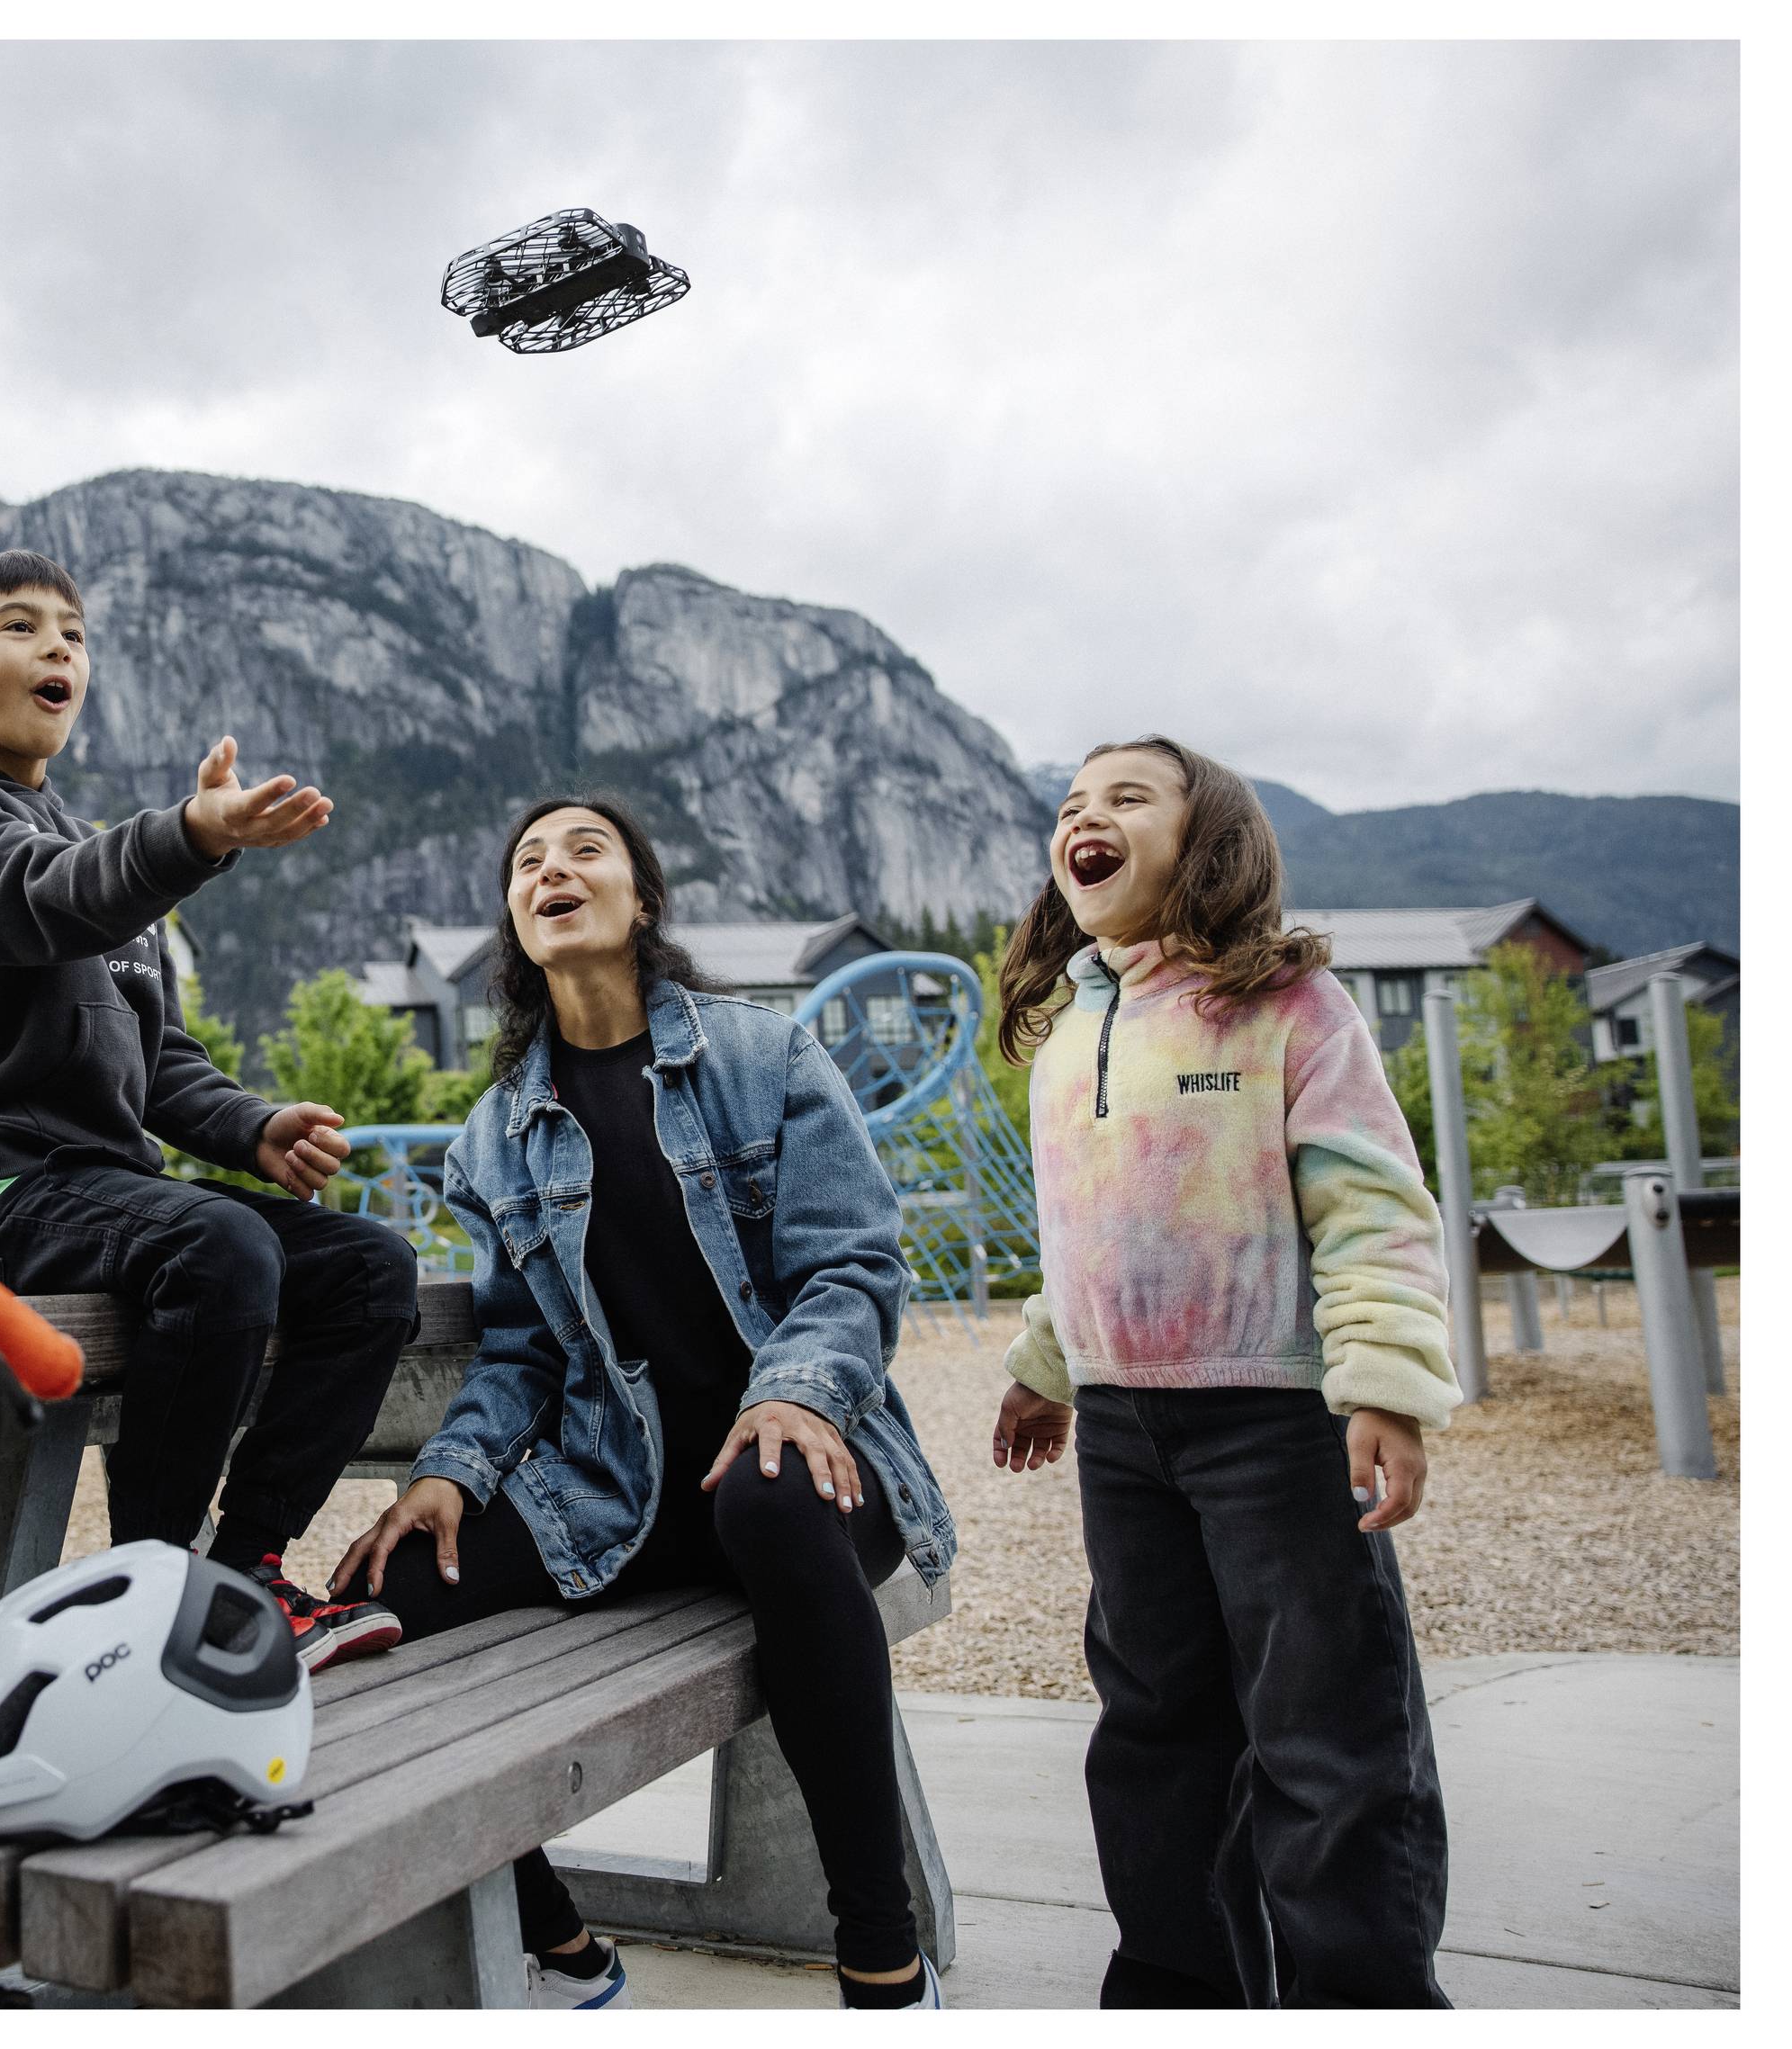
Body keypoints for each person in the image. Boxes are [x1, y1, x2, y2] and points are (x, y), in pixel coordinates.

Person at [334, 795, 956, 2011]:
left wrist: (793, 1395)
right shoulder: (498, 1132)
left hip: (817, 1478)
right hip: (629, 1498)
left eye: (584, 850)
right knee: (375, 1603)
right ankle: (560, 1945)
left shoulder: (763, 1056)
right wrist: (449, 1473)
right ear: (516, 921)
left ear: (642, 899)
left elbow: (855, 1267)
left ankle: (882, 1957)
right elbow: (517, 1352)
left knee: (771, 1493)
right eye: (526, 861)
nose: (551, 869)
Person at [0, 551, 416, 1673]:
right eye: (22, 627)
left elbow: (155, 1054)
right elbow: (49, 901)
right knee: (221, 1243)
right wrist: (193, 836)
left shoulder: (97, 858)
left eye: (75, 633)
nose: (60, 648)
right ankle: (153, 1597)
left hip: (103, 1197)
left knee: (368, 1269)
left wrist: (250, 1125)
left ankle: (243, 1570)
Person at [988, 737, 1457, 2009]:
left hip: (1274, 1414)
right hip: (1128, 1435)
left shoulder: (1291, 1006)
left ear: (1210, 840)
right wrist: (1047, 1365)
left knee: (1326, 1731)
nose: (1087, 817)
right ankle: (1177, 1985)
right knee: (1152, 1721)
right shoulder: (1071, 1028)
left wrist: (1387, 1386)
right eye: (1072, 806)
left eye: (1127, 797)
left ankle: (1363, 1994)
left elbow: (1370, 1208)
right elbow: (1086, 1229)